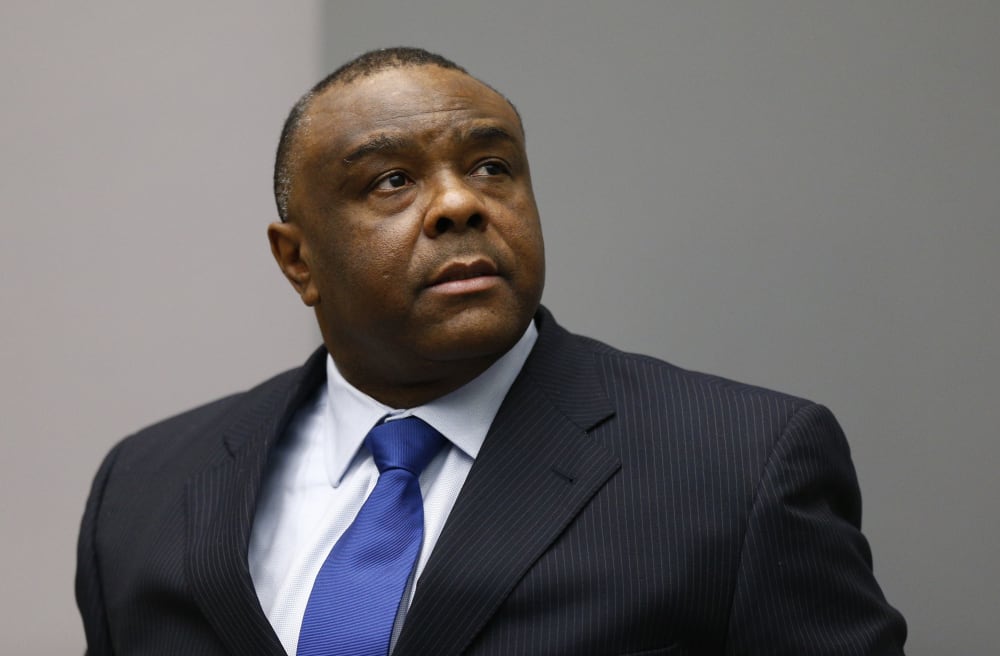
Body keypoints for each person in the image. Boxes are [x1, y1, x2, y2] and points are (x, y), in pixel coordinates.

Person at [75, 47, 907, 655]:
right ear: (298, 260)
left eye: (490, 166)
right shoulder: (144, 490)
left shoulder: (741, 466)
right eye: (391, 181)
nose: (458, 204)